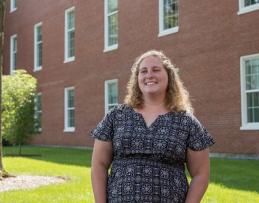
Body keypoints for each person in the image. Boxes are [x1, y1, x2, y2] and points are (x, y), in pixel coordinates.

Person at [91, 50, 215, 203]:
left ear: (169, 75)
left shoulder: (186, 122)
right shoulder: (116, 116)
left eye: (156, 70)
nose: (149, 75)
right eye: (143, 71)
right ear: (137, 79)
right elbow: (99, 165)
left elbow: (201, 174)